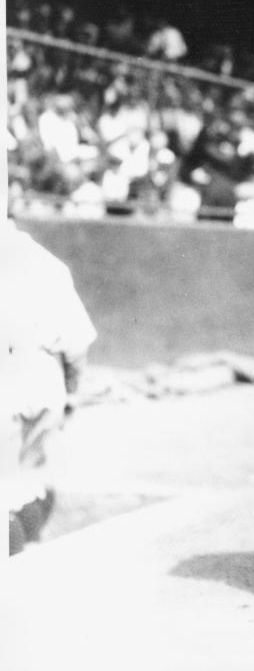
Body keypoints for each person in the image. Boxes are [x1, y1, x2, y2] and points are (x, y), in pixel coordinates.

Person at [1, 219, 97, 555]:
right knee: (26, 478)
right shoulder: (47, 264)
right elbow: (78, 343)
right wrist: (71, 388)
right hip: (45, 377)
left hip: (9, 374)